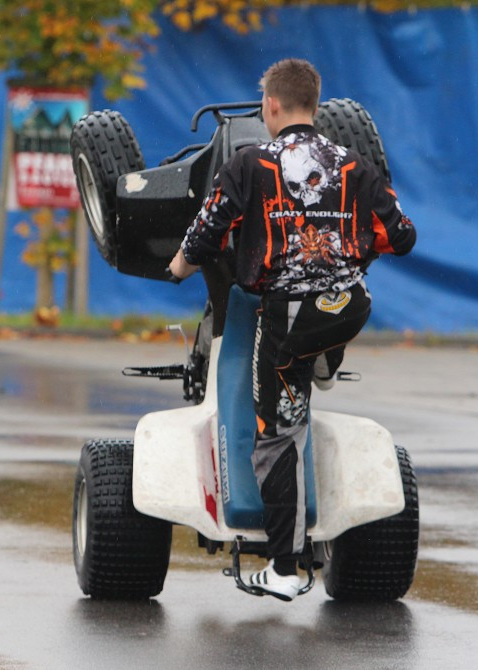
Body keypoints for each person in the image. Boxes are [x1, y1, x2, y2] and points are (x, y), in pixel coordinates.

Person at [168, 58, 416, 601]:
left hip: (288, 317)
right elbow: (401, 236)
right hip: (349, 306)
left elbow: (207, 231)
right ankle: (323, 364)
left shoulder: (249, 162)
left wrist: (179, 268)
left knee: (276, 435)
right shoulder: (354, 166)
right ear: (316, 107)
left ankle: (282, 567)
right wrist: (349, 245)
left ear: (272, 106)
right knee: (309, 359)